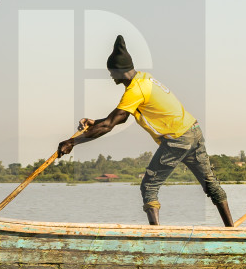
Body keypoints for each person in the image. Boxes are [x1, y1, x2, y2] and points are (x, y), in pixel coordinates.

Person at [57, 35, 233, 227]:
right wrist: (94, 122)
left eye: (111, 72)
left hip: (178, 138)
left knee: (149, 186)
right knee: (210, 184)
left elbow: (109, 125)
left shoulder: (135, 90)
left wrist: (72, 142)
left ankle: (155, 238)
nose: (110, 76)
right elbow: (119, 117)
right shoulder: (144, 79)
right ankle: (231, 231)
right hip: (193, 129)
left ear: (119, 71)